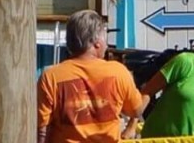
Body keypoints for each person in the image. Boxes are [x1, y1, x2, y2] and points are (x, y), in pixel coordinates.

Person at [36, 9, 147, 143]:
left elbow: (42, 127)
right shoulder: (118, 72)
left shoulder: (51, 77)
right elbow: (136, 110)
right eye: (105, 37)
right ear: (97, 42)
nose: (106, 45)